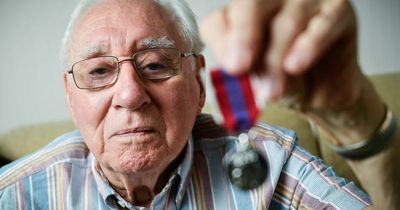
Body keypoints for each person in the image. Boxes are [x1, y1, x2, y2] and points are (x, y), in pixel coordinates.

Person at [0, 0, 398, 209]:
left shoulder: (269, 161)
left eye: (155, 64)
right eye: (100, 72)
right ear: (71, 96)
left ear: (199, 83)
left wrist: (358, 122)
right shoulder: (14, 194)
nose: (130, 94)